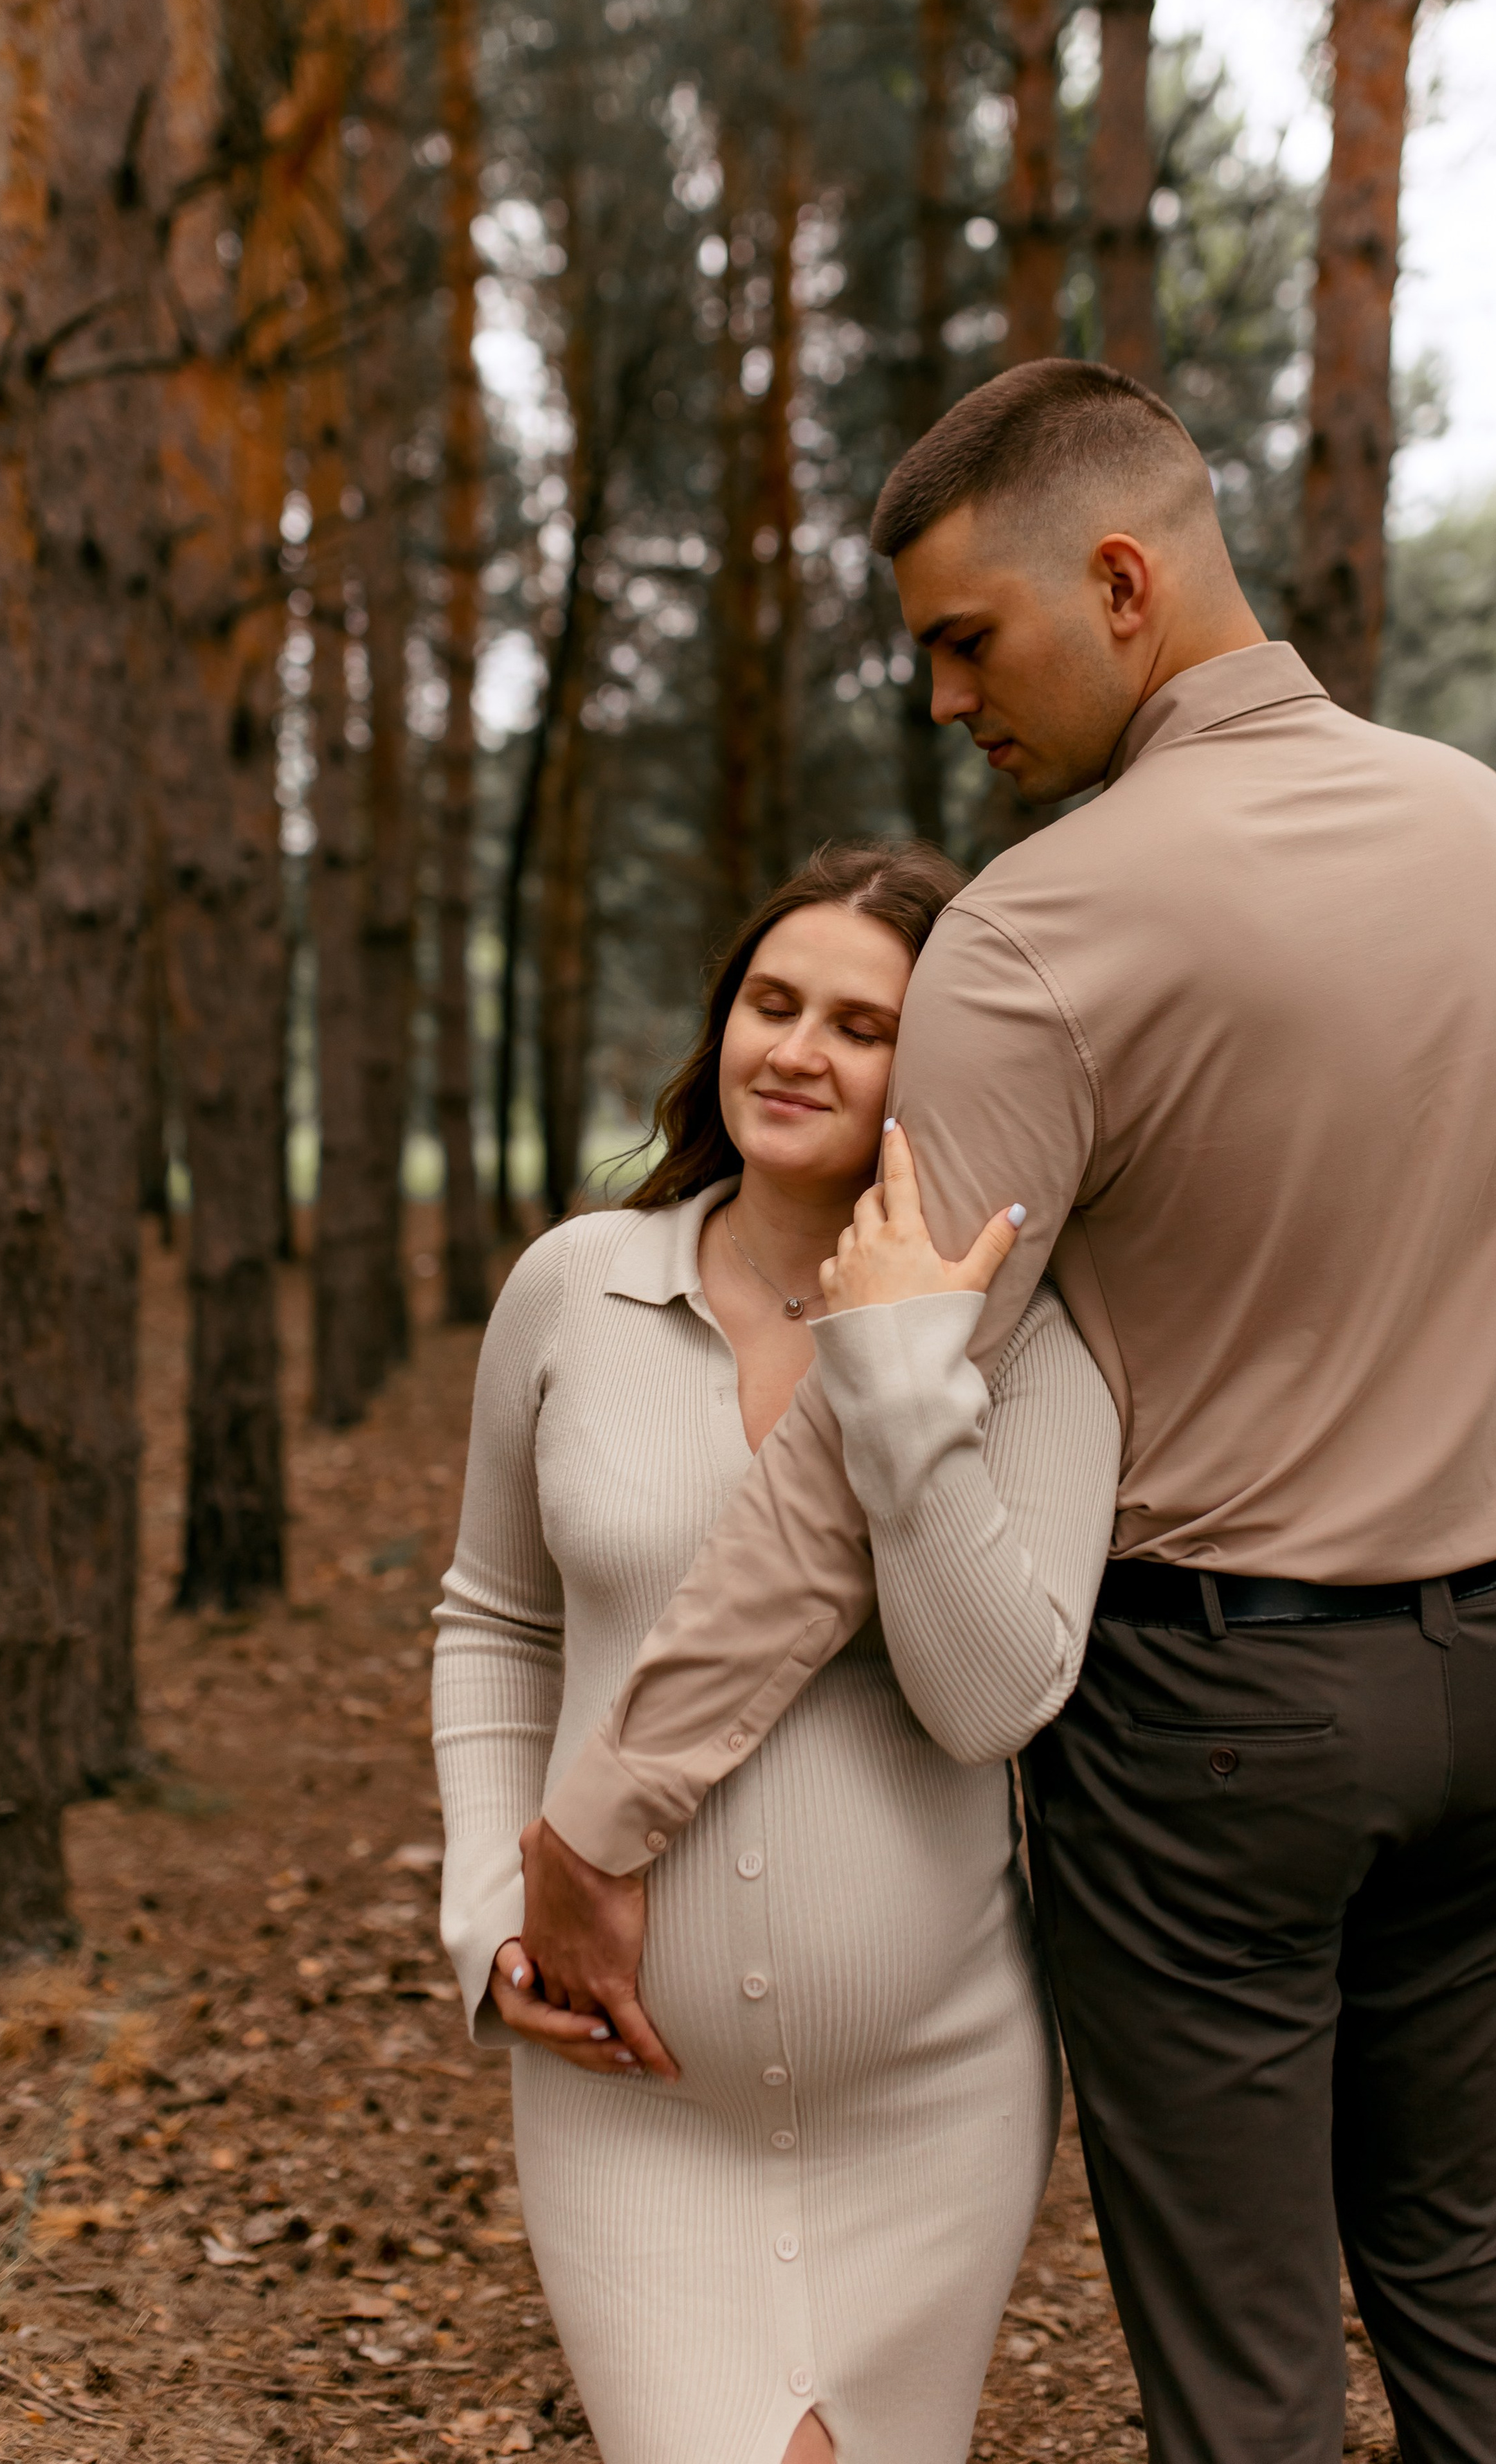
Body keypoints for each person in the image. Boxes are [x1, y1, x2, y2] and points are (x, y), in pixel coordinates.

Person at [524, 360, 1496, 2464]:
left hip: (1224, 1729)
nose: (943, 701)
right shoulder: (1488, 826)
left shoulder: (1039, 930)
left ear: (1118, 583)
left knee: (1246, 2375)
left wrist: (610, 1809)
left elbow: (867, 1433)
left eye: (965, 638)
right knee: (1473, 2293)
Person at [431, 837, 1121, 2464]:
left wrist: (894, 1372)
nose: (796, 1051)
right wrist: (485, 1912)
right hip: (630, 2111)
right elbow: (496, 1620)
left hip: (932, 2099)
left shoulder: (1027, 1350)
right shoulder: (574, 1291)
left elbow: (988, 1700)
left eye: (861, 1027)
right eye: (771, 1003)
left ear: (933, 1073)